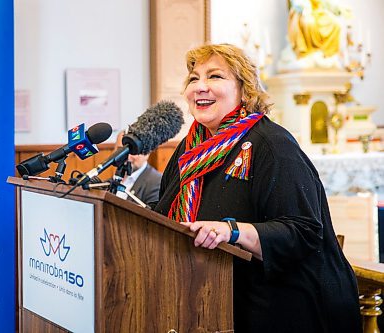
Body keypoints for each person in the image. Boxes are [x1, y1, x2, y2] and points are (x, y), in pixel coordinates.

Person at [154, 43, 361, 332]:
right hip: (213, 301)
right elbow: (164, 214)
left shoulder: (272, 145)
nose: (200, 87)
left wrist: (232, 231)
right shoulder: (189, 151)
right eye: (193, 78)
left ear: (245, 89)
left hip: (288, 309)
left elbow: (304, 233)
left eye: (215, 76)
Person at [114, 130, 162, 204]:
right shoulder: (113, 179)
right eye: (121, 150)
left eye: (133, 151)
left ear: (147, 153)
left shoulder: (157, 182)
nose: (127, 157)